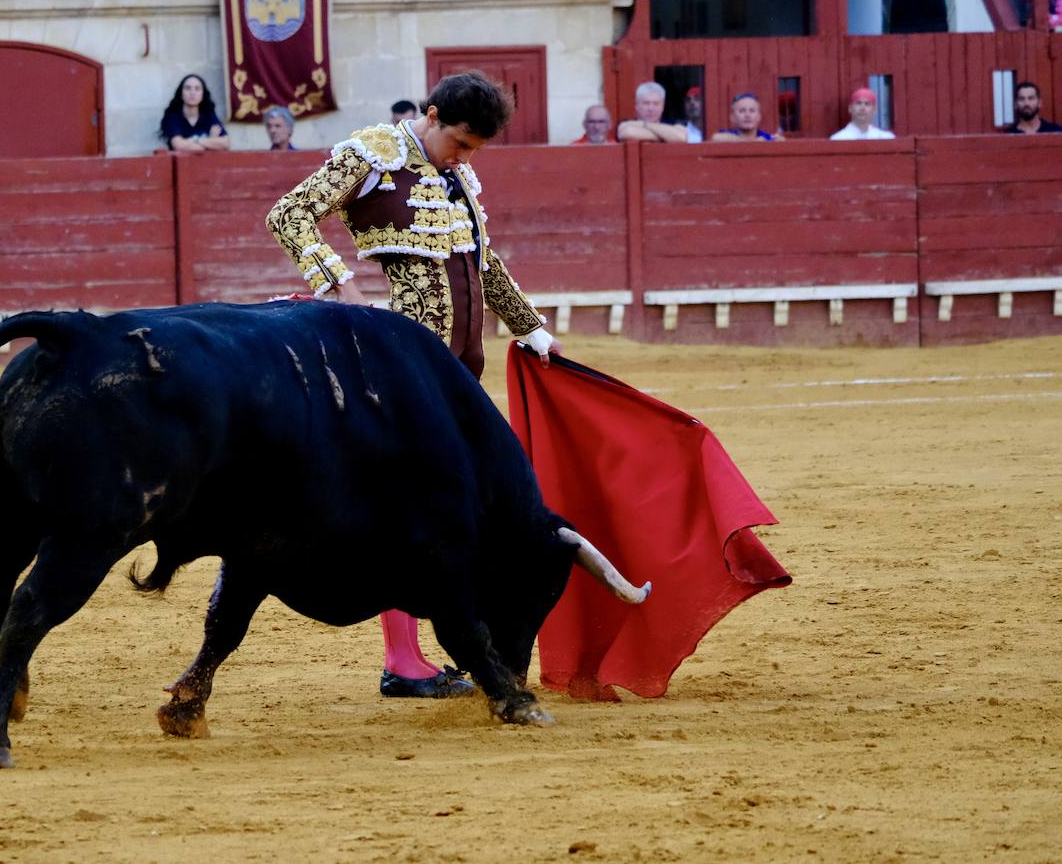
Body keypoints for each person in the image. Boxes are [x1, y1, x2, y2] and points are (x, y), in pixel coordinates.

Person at [267, 71, 562, 699]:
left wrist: (529, 328)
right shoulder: (372, 154)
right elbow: (289, 213)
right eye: (459, 142)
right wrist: (337, 284)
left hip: (461, 373)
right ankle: (403, 660)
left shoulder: (458, 175)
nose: (464, 156)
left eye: (475, 149)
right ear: (431, 115)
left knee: (456, 504)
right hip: (401, 373)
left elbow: (483, 262)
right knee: (412, 509)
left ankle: (459, 636)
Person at [158, 74, 231, 154]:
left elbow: (225, 143)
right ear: (181, 94)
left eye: (197, 89)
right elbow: (179, 145)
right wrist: (211, 140)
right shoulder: (172, 116)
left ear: (203, 94)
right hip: (180, 164)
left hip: (206, 164)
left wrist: (195, 140)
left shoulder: (208, 114)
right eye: (188, 88)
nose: (192, 93)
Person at [615, 82, 688, 143]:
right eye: (646, 103)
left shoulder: (673, 123)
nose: (651, 108)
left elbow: (681, 137)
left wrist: (644, 125)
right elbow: (627, 132)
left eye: (656, 103)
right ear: (637, 106)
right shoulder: (626, 124)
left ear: (662, 107)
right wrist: (666, 136)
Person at [710, 93, 782, 142]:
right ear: (732, 118)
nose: (747, 115)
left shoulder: (765, 137)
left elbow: (778, 140)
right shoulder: (727, 134)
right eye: (742, 111)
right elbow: (715, 137)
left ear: (759, 117)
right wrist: (750, 142)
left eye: (752, 111)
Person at [830, 87, 896, 140]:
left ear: (874, 110)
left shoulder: (886, 138)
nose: (862, 108)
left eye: (867, 104)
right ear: (850, 108)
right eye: (858, 103)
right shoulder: (838, 139)